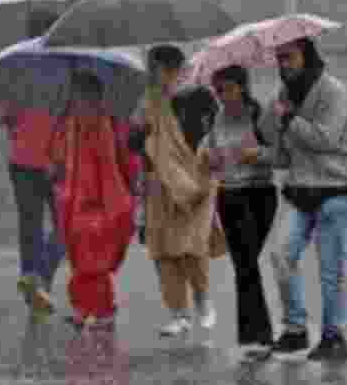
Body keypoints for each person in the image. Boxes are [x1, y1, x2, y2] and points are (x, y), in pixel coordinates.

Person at [261, 36, 347, 362]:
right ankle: (295, 329)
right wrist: (271, 124)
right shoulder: (285, 94)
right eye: (279, 58)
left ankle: (334, 337)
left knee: (330, 270)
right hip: (299, 190)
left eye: (289, 57)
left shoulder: (334, 91)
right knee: (280, 255)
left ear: (306, 55)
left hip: (335, 189)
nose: (283, 64)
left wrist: (290, 118)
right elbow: (282, 153)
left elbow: (325, 138)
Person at [132, 45, 225, 339]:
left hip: (196, 182)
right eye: (153, 69)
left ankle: (203, 300)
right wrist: (141, 130)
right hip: (159, 182)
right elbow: (134, 143)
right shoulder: (149, 102)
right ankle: (178, 314)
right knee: (163, 251)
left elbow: (220, 134)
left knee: (191, 247)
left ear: (172, 68)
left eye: (158, 68)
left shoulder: (202, 96)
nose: (155, 75)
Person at [199, 65, 282, 355]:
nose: (223, 96)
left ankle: (257, 335)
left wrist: (255, 154)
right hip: (229, 196)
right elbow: (204, 155)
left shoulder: (260, 117)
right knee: (244, 265)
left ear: (243, 87)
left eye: (228, 88)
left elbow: (280, 155)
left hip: (260, 194)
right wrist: (208, 159)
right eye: (218, 90)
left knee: (246, 263)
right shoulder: (215, 120)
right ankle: (257, 336)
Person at [47, 71, 140, 329]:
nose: (78, 103)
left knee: (94, 259)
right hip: (74, 201)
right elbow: (58, 158)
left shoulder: (107, 124)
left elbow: (119, 162)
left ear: (95, 97)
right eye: (75, 97)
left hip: (102, 201)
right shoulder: (69, 125)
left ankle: (104, 310)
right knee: (79, 257)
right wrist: (56, 168)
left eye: (83, 97)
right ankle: (84, 308)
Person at [0, 9, 66, 319]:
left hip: (21, 158)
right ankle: (43, 275)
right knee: (67, 223)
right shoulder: (68, 65)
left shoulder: (12, 66)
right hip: (60, 159)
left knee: (29, 222)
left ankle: (30, 276)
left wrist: (14, 114)